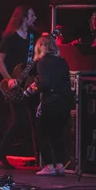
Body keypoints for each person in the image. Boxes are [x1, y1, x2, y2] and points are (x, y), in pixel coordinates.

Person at [0, 5, 37, 169]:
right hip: (15, 85)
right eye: (32, 16)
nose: (35, 19)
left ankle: (39, 156)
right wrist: (9, 79)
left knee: (35, 119)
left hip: (30, 83)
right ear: (24, 18)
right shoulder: (10, 38)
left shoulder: (33, 37)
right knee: (18, 121)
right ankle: (0, 154)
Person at [24, 35, 73, 175]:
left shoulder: (42, 62)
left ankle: (49, 165)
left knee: (41, 133)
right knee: (58, 134)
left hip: (51, 101)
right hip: (65, 101)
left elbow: (45, 83)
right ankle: (59, 165)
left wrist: (33, 89)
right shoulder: (62, 61)